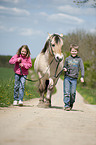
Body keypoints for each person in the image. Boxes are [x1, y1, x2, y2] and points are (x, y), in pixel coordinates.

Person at [63, 44, 84, 111]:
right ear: (70, 51)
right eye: (72, 51)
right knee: (67, 92)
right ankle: (66, 105)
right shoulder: (67, 59)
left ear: (77, 51)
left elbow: (82, 68)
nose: (73, 52)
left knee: (72, 93)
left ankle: (71, 103)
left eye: (75, 51)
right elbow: (64, 66)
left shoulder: (79, 59)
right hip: (67, 78)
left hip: (74, 79)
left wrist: (82, 77)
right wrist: (64, 69)